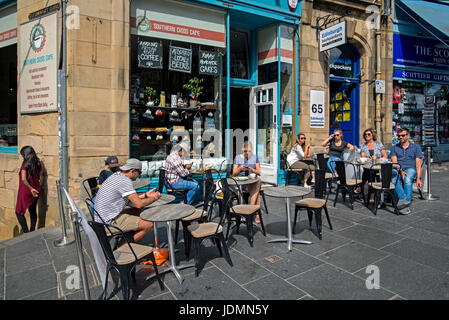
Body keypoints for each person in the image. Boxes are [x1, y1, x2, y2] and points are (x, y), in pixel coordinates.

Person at [94, 158, 160, 242]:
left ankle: (129, 236)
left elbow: (129, 199)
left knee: (137, 211)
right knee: (149, 224)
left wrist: (146, 195)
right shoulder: (125, 181)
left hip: (101, 219)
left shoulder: (117, 175)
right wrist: (154, 198)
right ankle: (123, 246)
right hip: (108, 223)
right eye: (139, 172)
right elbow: (139, 204)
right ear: (132, 171)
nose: (139, 175)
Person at [390, 127, 423, 215]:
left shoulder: (416, 147)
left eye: (403, 135)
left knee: (407, 180)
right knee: (393, 179)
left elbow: (418, 164)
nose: (400, 137)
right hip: (398, 168)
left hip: (410, 168)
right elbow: (395, 162)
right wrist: (401, 171)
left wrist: (419, 178)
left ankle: (404, 204)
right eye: (399, 136)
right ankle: (405, 202)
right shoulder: (394, 148)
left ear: (408, 136)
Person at [15, 146, 43, 233]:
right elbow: (39, 176)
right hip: (37, 189)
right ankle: (32, 230)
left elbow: (23, 179)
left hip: (26, 191)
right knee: (32, 210)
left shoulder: (25, 164)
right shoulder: (38, 163)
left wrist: (31, 189)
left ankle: (26, 232)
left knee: (19, 212)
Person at [232, 141, 262, 221]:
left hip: (252, 182)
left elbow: (259, 172)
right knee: (257, 193)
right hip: (242, 184)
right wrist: (240, 168)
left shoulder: (255, 157)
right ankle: (255, 214)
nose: (247, 153)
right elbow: (234, 173)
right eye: (245, 151)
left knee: (257, 181)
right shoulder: (237, 158)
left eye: (249, 151)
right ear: (242, 149)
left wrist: (252, 169)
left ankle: (249, 212)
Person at [357, 128, 387, 199]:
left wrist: (379, 160)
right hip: (368, 166)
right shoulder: (363, 145)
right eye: (365, 134)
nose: (366, 135)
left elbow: (385, 156)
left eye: (368, 134)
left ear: (372, 135)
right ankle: (370, 194)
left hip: (378, 166)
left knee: (370, 175)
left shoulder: (378, 144)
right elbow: (363, 156)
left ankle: (362, 188)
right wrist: (370, 159)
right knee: (369, 173)